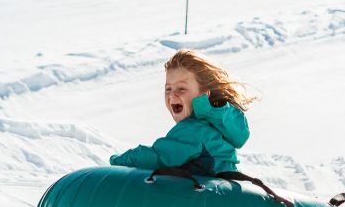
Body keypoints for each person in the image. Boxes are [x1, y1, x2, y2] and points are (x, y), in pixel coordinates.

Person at [109, 49, 255, 175]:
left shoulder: (194, 130)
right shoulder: (211, 128)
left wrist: (117, 161)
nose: (172, 95)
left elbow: (159, 157)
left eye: (181, 89)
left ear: (204, 94)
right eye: (168, 89)